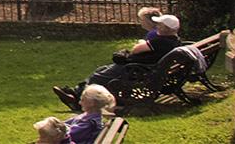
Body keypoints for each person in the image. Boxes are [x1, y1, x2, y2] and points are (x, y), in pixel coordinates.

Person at [52, 14, 183, 108]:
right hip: (144, 69)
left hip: (135, 70)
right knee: (101, 70)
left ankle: (77, 99)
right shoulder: (175, 41)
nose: (158, 26)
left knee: (97, 76)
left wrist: (141, 43)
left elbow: (136, 49)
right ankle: (75, 93)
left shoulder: (161, 41)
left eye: (160, 24)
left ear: (166, 28)